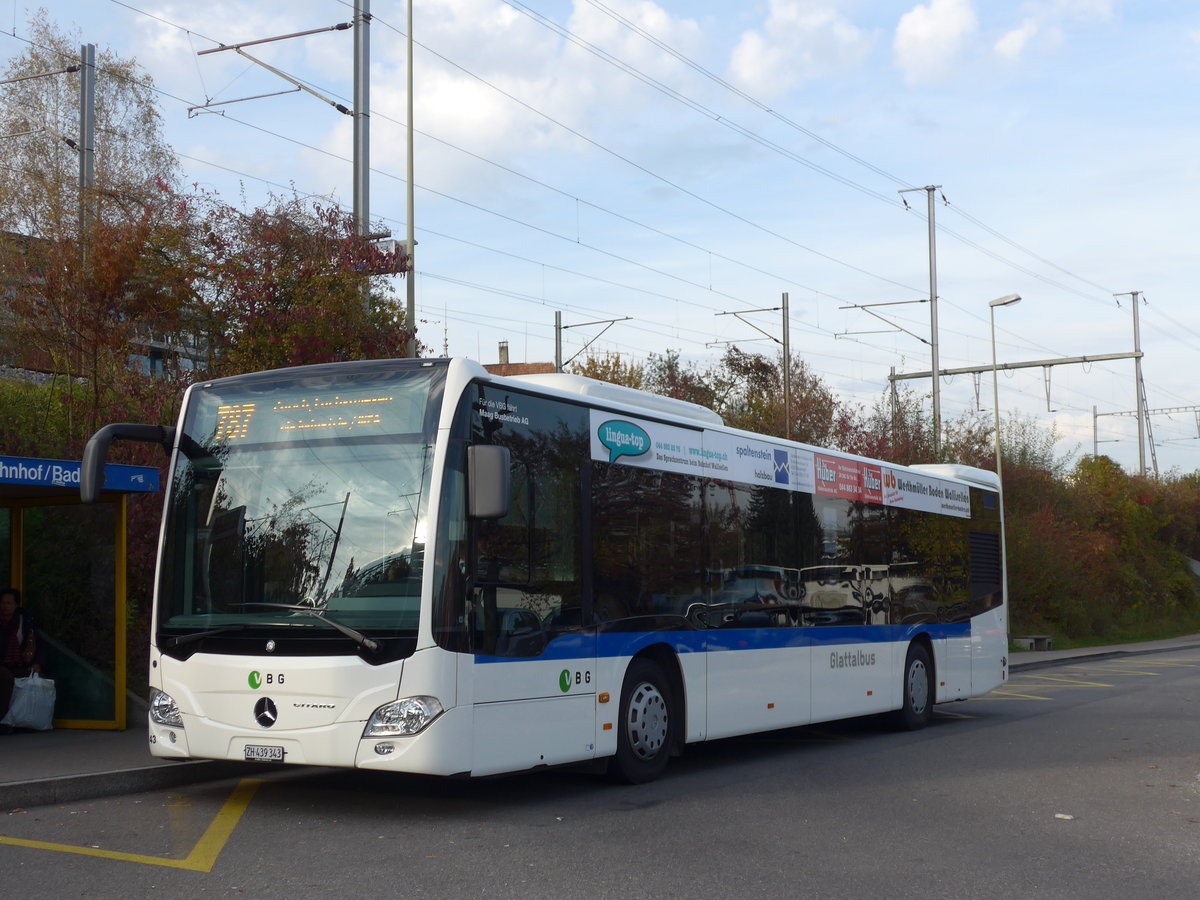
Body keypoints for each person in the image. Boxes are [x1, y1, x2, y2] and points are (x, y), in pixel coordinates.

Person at [1, 587, 42, 727]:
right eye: (2, 603)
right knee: (6, 678)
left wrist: (37, 663)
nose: (5, 606)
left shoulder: (24, 621)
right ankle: (3, 720)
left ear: (16, 605)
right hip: (3, 665)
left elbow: (37, 642)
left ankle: (26, 720)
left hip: (19, 663)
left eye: (8, 603)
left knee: (36, 677)